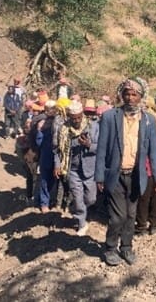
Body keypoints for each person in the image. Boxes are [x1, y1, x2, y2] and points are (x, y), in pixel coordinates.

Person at [95, 77, 156, 266]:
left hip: (136, 176)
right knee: (118, 216)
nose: (130, 97)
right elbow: (101, 149)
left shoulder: (149, 121)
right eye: (127, 93)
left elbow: (155, 152)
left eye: (134, 94)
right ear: (122, 95)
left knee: (131, 215)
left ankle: (126, 247)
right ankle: (110, 248)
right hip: (116, 175)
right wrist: (99, 175)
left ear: (141, 96)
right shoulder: (110, 117)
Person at [55, 100, 99, 236]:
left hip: (90, 170)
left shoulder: (93, 127)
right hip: (72, 170)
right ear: (69, 117)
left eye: (79, 118)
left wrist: (88, 145)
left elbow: (101, 147)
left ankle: (81, 210)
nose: (77, 121)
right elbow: (57, 149)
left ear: (82, 114)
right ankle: (81, 222)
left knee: (91, 199)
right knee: (78, 200)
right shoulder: (63, 129)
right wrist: (57, 165)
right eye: (73, 118)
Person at [136, 96, 156, 235]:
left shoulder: (147, 121)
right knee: (155, 196)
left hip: (147, 164)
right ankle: (154, 224)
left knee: (143, 197)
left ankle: (141, 225)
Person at [35, 101, 56, 213]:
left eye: (53, 109)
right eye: (50, 109)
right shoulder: (42, 123)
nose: (52, 111)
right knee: (44, 180)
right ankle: (44, 203)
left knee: (53, 180)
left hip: (57, 156)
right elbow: (39, 143)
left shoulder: (59, 122)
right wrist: (40, 130)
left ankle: (50, 200)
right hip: (46, 155)